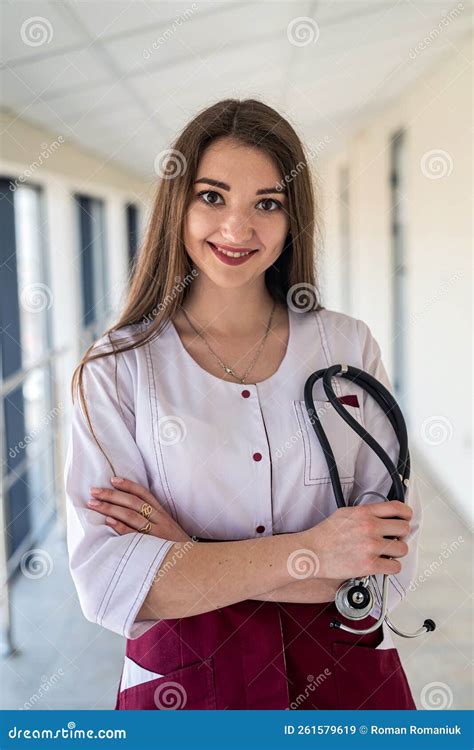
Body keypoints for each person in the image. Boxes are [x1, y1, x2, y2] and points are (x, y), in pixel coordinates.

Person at [64, 98, 420, 710]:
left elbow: (385, 567)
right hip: (187, 690)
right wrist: (316, 554)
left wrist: (188, 560)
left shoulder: (346, 345)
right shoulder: (118, 369)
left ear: (291, 219)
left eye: (267, 203)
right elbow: (112, 583)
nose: (237, 228)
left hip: (336, 683)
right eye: (212, 197)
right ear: (177, 204)